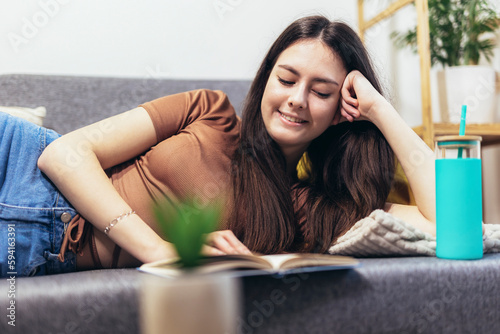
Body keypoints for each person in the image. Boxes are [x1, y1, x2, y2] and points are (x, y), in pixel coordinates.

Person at [0, 15, 435, 277]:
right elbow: (63, 154)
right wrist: (160, 252)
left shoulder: (310, 209)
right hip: (16, 160)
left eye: (322, 92)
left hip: (33, 250)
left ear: (342, 110)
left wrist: (380, 110)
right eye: (286, 79)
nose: (297, 99)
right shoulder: (209, 111)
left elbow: (450, 223)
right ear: (266, 79)